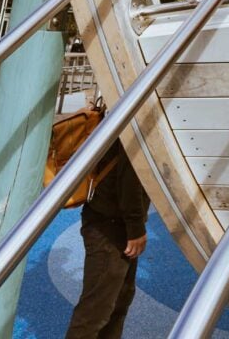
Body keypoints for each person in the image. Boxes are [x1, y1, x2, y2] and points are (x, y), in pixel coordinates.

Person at [65, 139, 150, 339]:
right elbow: (130, 175)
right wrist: (135, 227)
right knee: (96, 310)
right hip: (110, 223)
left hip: (112, 220)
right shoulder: (133, 125)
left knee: (118, 300)